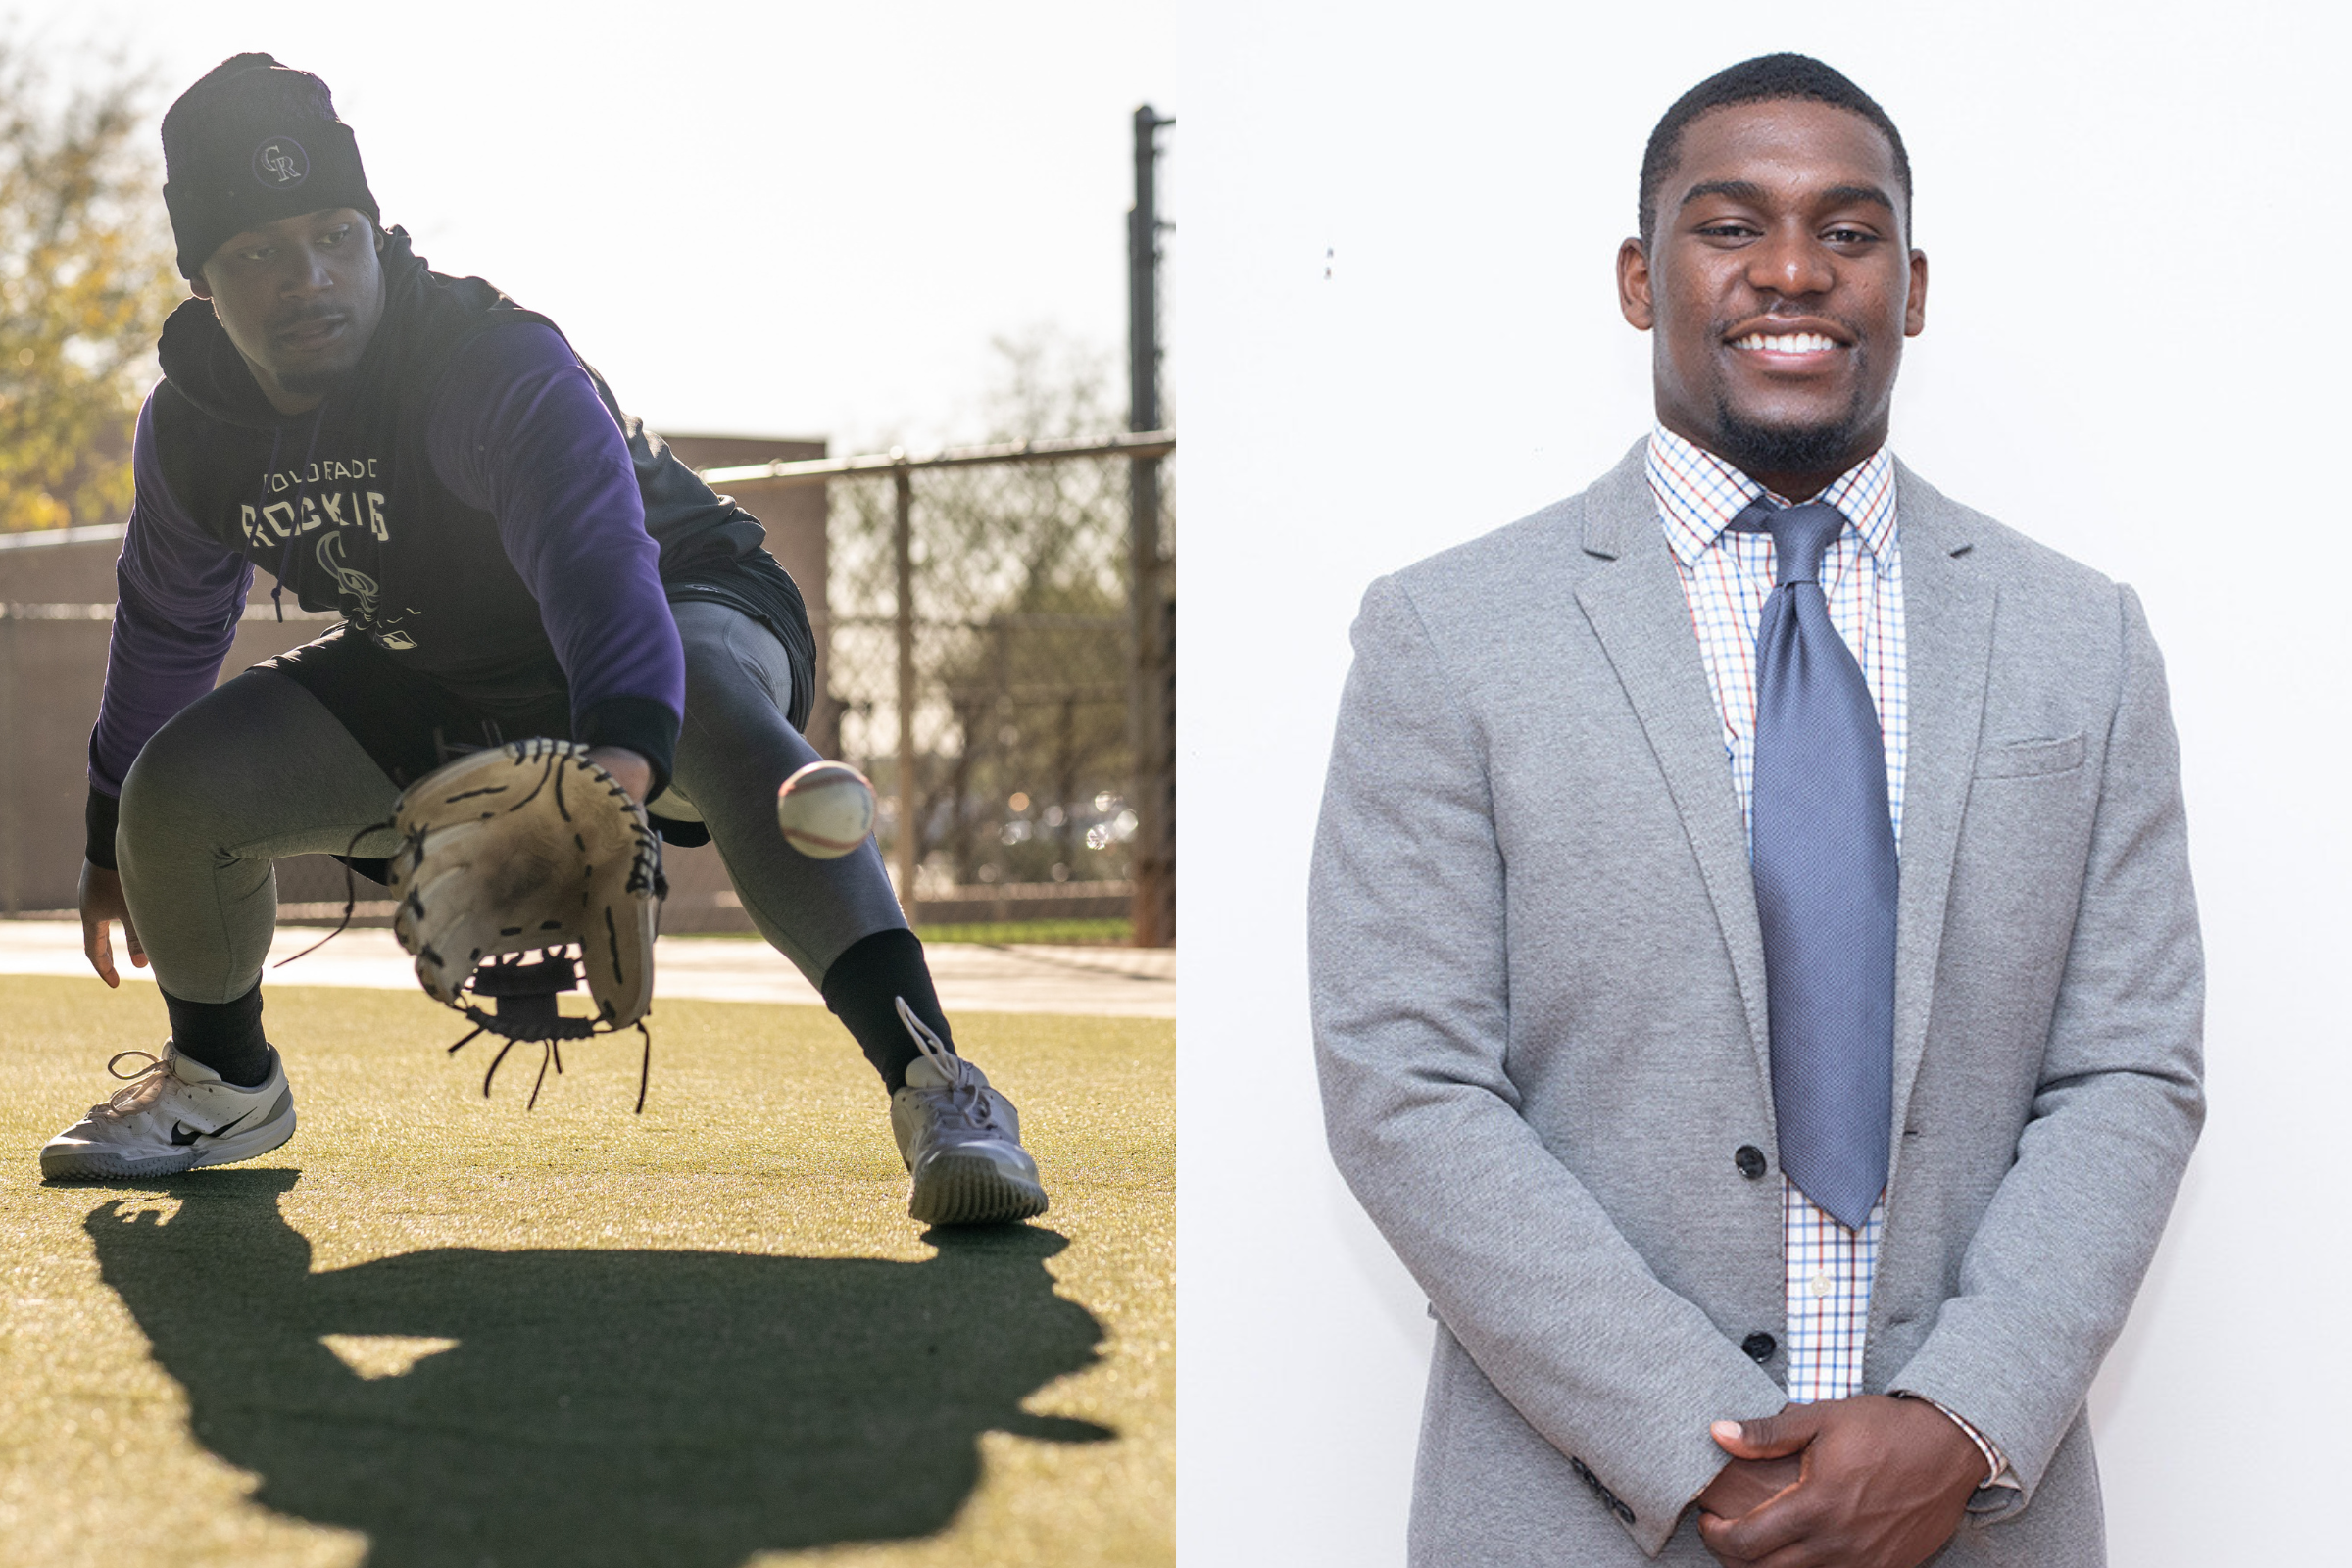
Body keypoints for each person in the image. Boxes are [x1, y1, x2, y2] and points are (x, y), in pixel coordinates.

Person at [1309, 53, 2202, 1567]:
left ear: (1909, 287)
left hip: (1976, 1518)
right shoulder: (1447, 634)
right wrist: (1703, 1451)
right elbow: (1405, 1082)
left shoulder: (2082, 637)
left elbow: (2130, 1070)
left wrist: (1960, 1422)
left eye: (1848, 234)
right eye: (1731, 226)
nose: (1793, 271)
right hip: (1582, 1514)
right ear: (1637, 272)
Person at [39, 53, 1048, 1229]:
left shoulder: (485, 362)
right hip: (443, 664)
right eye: (259, 253)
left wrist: (607, 787)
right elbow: (167, 626)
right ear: (204, 281)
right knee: (179, 789)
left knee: (711, 688)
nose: (308, 277)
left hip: (676, 607)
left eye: (333, 235)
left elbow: (600, 574)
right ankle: (224, 1081)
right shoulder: (193, 428)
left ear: (375, 232)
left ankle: (939, 1083)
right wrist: (114, 837)